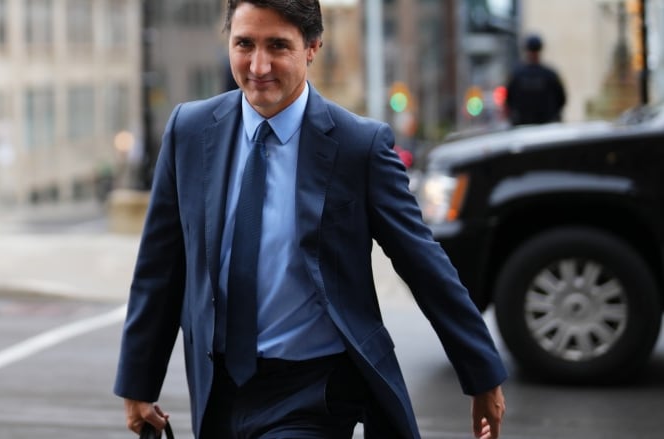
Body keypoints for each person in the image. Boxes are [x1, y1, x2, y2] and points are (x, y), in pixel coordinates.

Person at [114, 1, 507, 438]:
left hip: (313, 391)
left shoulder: (359, 146)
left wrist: (481, 371)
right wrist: (138, 384)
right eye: (244, 44)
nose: (258, 65)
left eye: (277, 46)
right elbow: (159, 268)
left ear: (312, 47)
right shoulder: (189, 131)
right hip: (217, 389)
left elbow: (423, 261)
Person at [505, 33, 567, 126]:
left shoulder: (516, 75)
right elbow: (561, 99)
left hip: (523, 127)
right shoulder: (550, 75)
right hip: (546, 128)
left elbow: (508, 101)